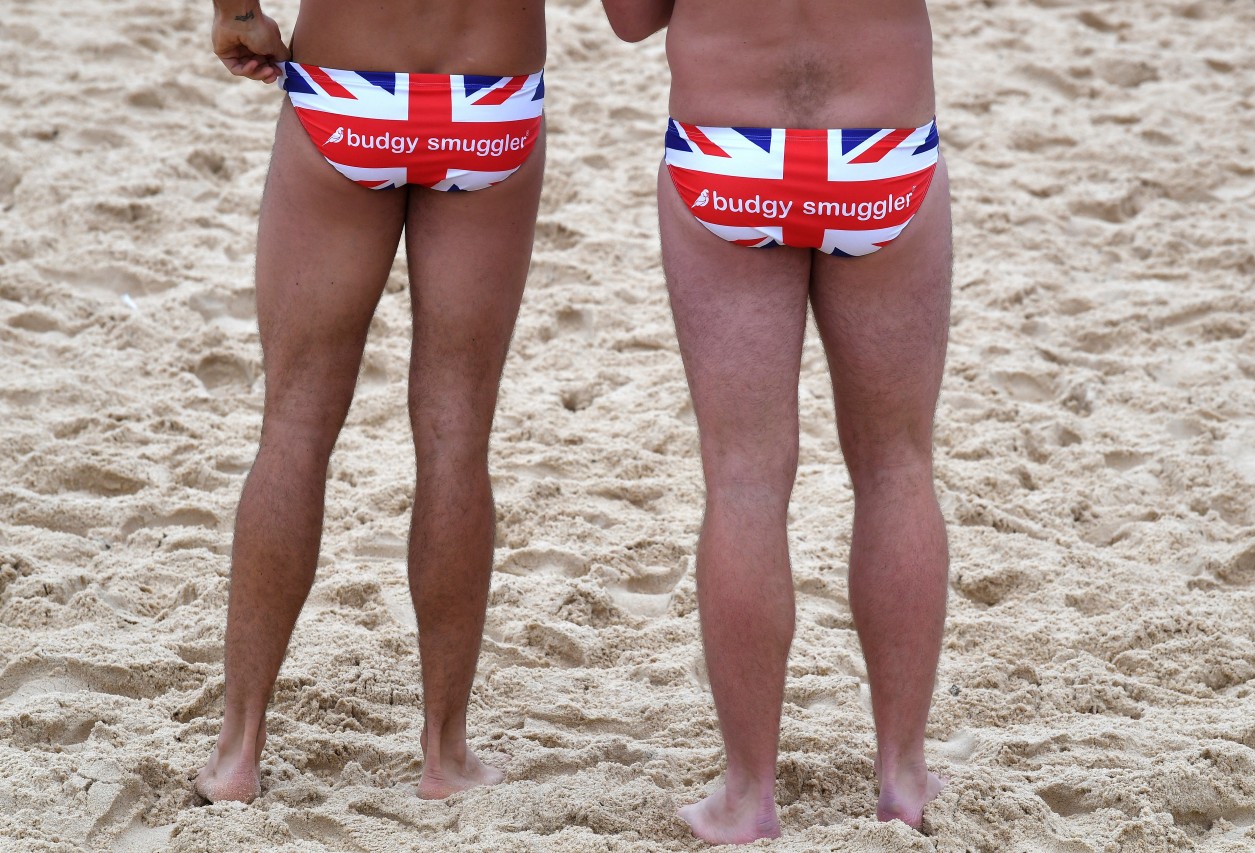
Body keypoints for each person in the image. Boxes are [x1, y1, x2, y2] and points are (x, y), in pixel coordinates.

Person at [600, 0, 951, 844]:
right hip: (880, 145)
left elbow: (630, 18)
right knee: (897, 466)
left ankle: (748, 792)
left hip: (730, 149)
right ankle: (902, 774)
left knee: (745, 478)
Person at [195, 0, 546, 803]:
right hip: (487, 94)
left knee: (293, 424)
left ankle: (237, 751)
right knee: (457, 432)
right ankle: (445, 753)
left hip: (348, 80)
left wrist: (238, 13)